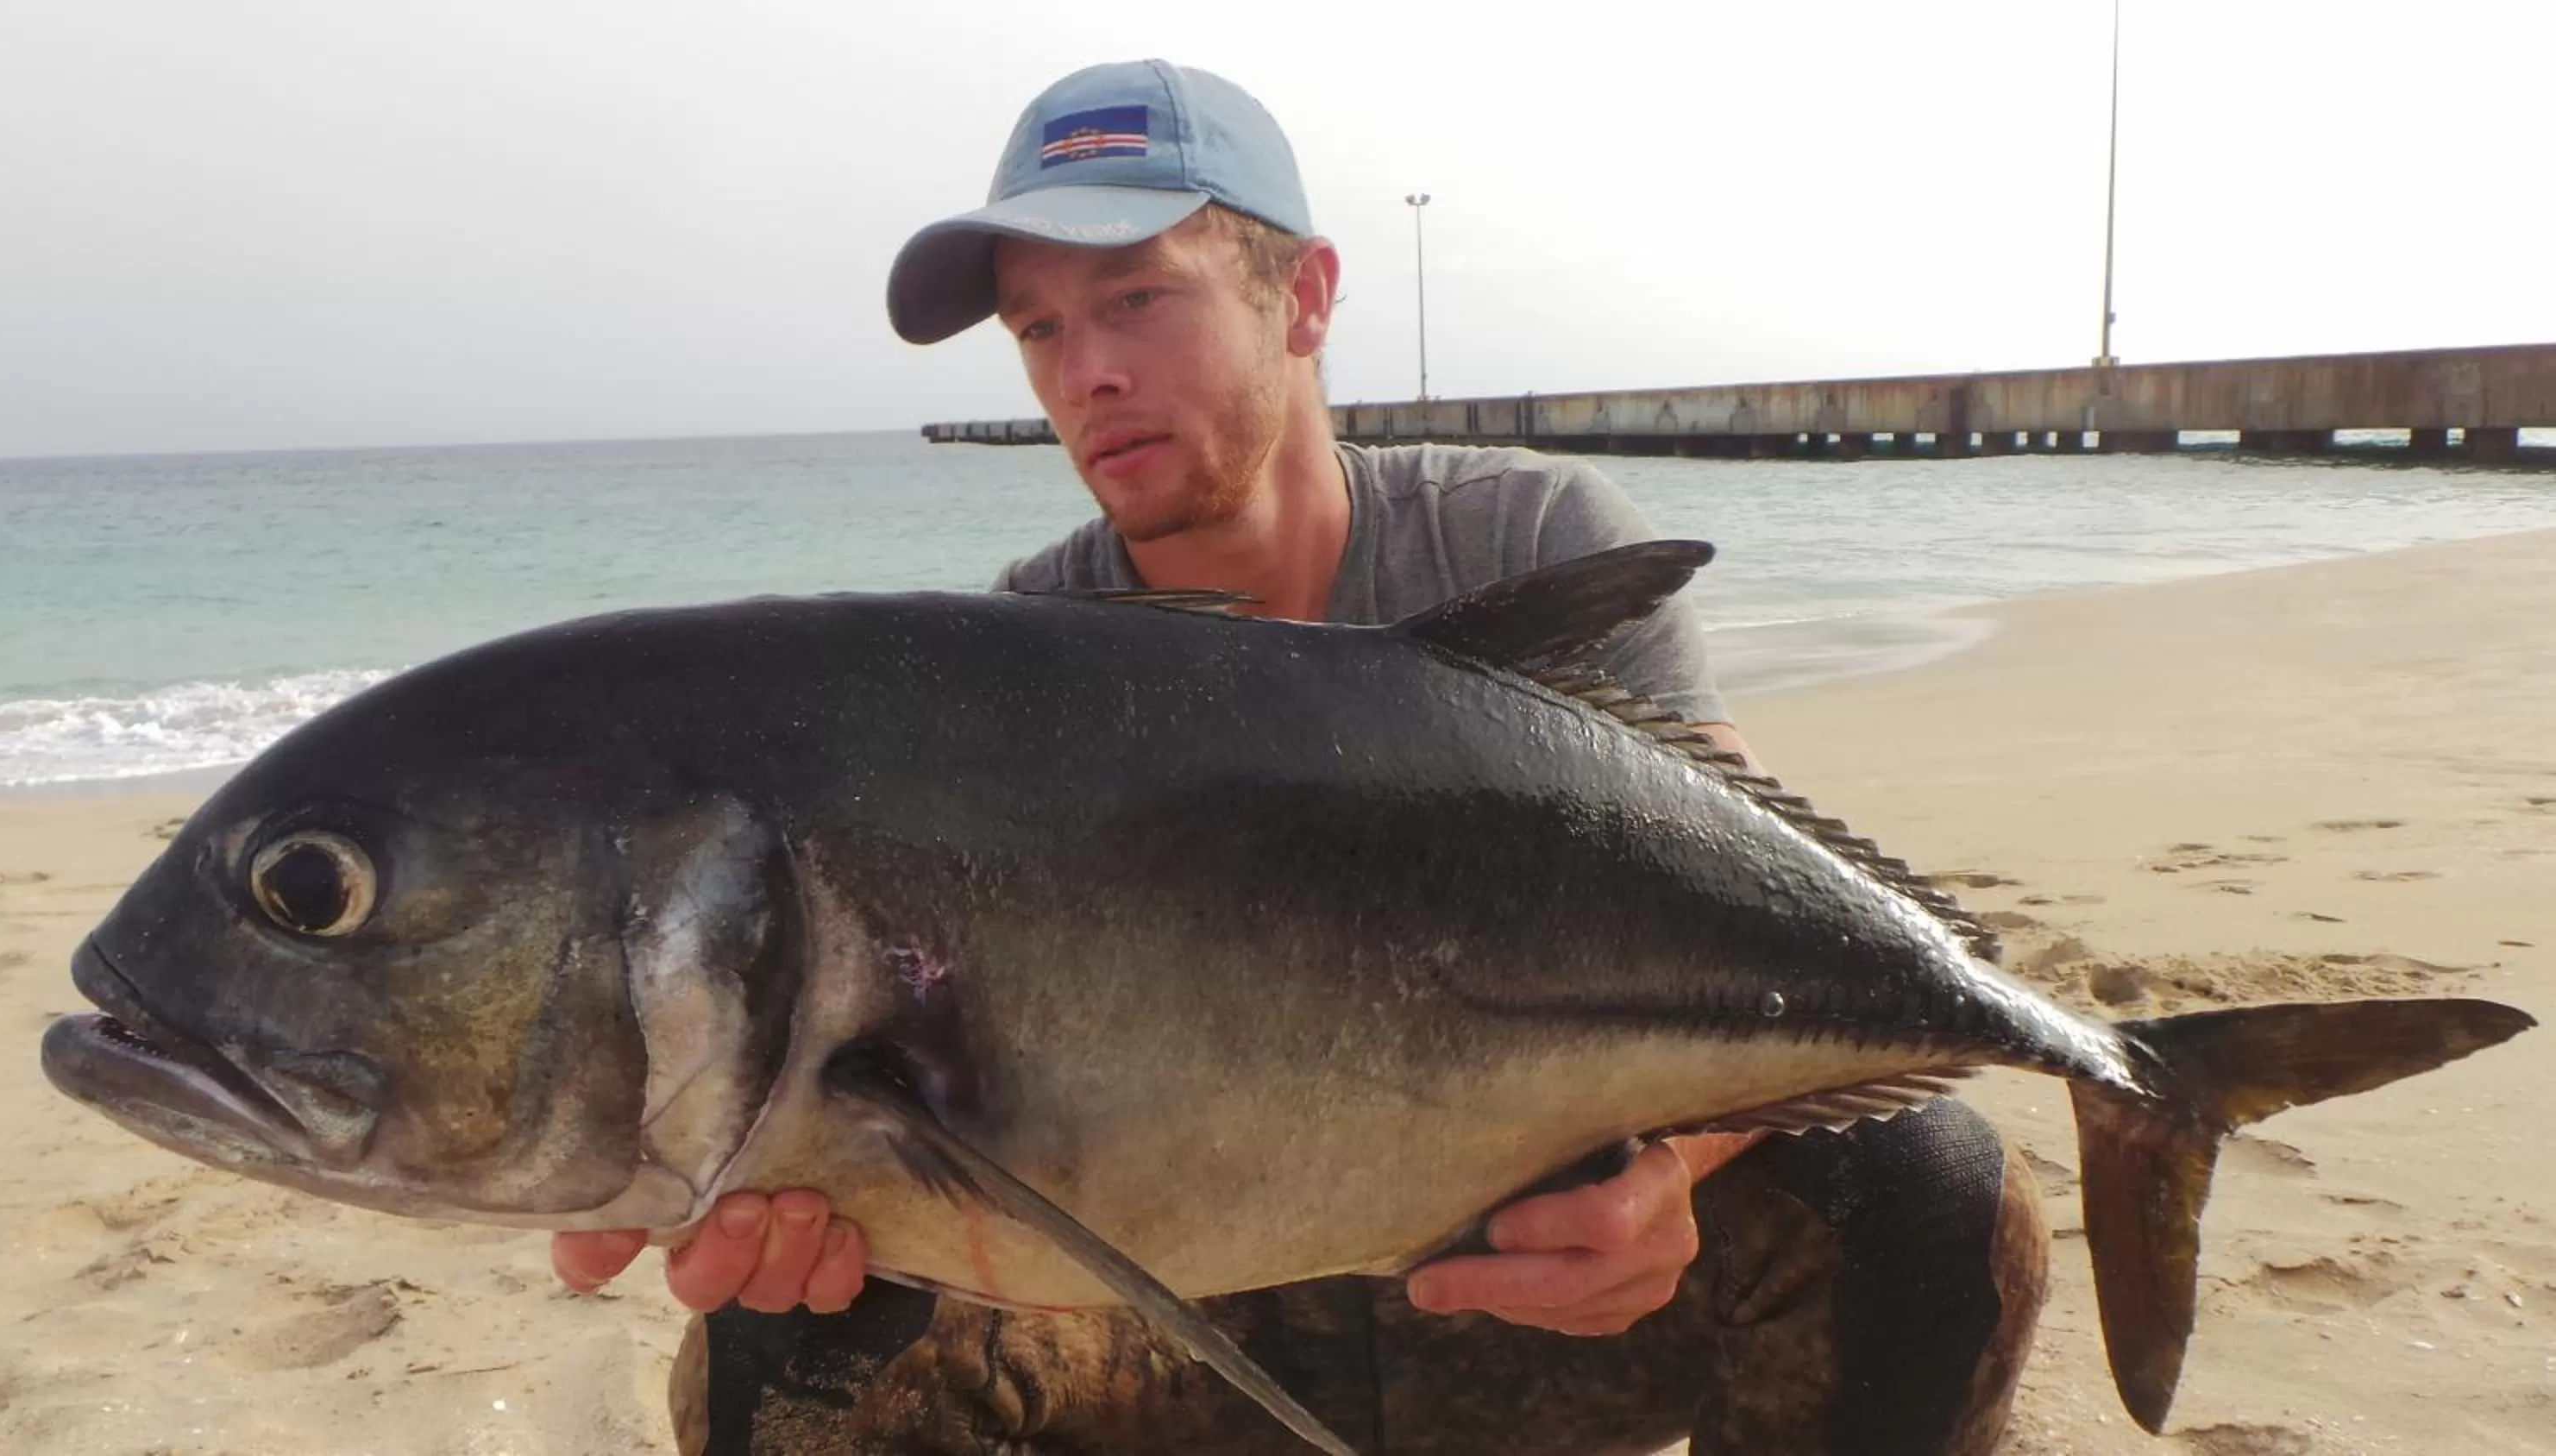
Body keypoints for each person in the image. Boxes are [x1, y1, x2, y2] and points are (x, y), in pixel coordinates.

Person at [555, 59, 2050, 1455]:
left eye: (1138, 297)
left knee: (1930, 1191)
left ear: (1307, 296)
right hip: (1186, 1316)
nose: (1088, 375)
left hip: (1515, 1282)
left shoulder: (1525, 539)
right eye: (1041, 330)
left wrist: (1670, 1175)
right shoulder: (1020, 661)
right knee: (768, 1349)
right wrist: (810, 1202)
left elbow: (1736, 915)